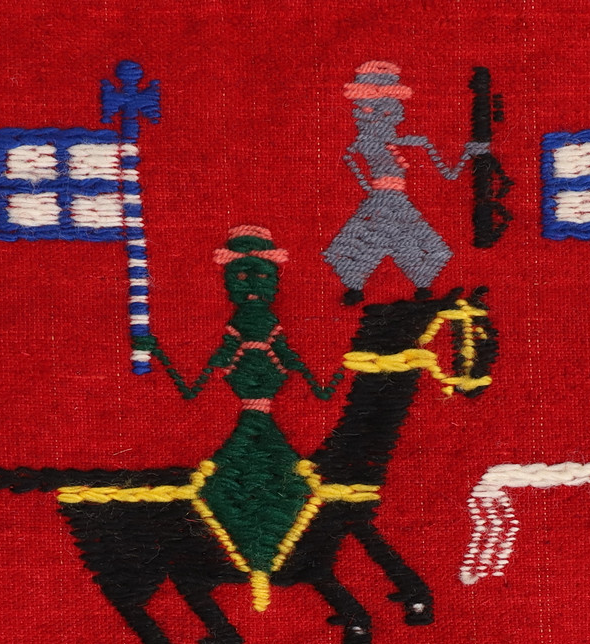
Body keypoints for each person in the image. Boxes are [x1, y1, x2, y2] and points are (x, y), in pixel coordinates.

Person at [153, 228, 347, 592]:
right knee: (280, 475)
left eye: (261, 275)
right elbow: (202, 381)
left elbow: (298, 373)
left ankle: (261, 554)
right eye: (242, 276)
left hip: (257, 419)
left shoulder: (262, 329)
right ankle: (259, 553)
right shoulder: (245, 330)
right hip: (254, 419)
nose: (253, 285)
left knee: (252, 475)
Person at [323, 62, 488, 304]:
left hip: (389, 203)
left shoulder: (415, 144)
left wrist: (470, 153)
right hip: (384, 203)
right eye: (369, 109)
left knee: (407, 243)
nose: (379, 115)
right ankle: (406, 285)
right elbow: (354, 163)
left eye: (387, 109)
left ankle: (370, 285)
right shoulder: (365, 146)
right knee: (393, 239)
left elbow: (450, 174)